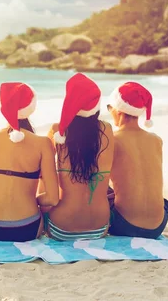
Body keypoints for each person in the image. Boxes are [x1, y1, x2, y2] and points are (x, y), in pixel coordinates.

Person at [0, 82, 59, 241]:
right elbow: (53, 199)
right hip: (27, 227)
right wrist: (31, 199)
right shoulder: (43, 144)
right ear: (31, 107)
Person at [44, 73, 115, 241]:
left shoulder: (57, 130)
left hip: (60, 228)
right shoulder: (107, 130)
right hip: (100, 228)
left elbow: (42, 171)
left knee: (45, 176)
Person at [106, 81, 168, 239]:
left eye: (109, 107)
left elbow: (98, 180)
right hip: (158, 226)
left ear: (118, 110)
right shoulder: (156, 140)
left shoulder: (112, 139)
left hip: (124, 226)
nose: (109, 111)